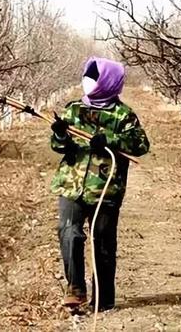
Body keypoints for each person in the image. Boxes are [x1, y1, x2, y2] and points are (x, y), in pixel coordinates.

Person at [50, 57, 150, 312]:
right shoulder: (73, 109)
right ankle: (75, 288)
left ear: (107, 81)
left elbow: (140, 146)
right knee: (68, 232)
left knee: (102, 242)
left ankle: (104, 299)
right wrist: (61, 134)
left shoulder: (123, 115)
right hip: (71, 184)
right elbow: (59, 146)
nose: (87, 82)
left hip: (105, 188)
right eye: (86, 76)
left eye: (93, 77)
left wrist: (111, 140)